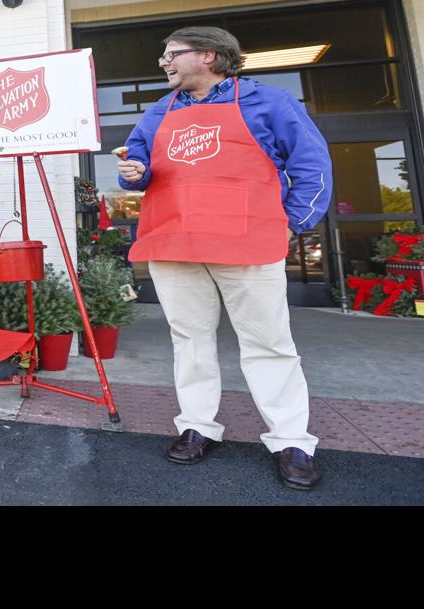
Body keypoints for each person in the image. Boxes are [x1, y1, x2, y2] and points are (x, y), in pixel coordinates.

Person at [117, 27, 332, 491]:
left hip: (246, 244)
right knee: (189, 340)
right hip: (174, 241)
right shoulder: (159, 110)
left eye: (172, 54)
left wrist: (292, 222)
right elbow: (138, 163)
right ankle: (197, 426)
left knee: (268, 344)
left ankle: (291, 440)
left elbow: (310, 163)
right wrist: (134, 171)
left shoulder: (270, 102)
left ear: (209, 56)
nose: (164, 62)